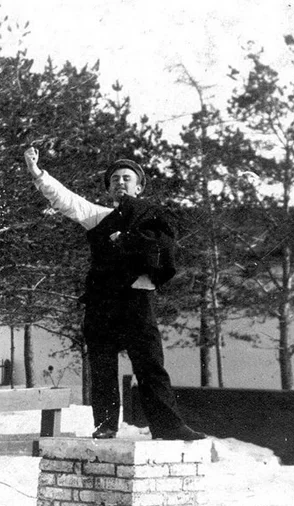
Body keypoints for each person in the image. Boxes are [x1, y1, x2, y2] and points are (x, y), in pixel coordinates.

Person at [24, 147, 206, 442]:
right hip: (103, 302)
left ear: (139, 187)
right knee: (102, 366)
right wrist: (37, 173)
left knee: (150, 365)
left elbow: (164, 251)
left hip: (137, 299)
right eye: (115, 179)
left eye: (126, 178)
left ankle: (169, 427)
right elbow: (66, 200)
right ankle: (106, 425)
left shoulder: (153, 217)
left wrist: (130, 241)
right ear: (109, 189)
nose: (120, 182)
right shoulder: (100, 217)